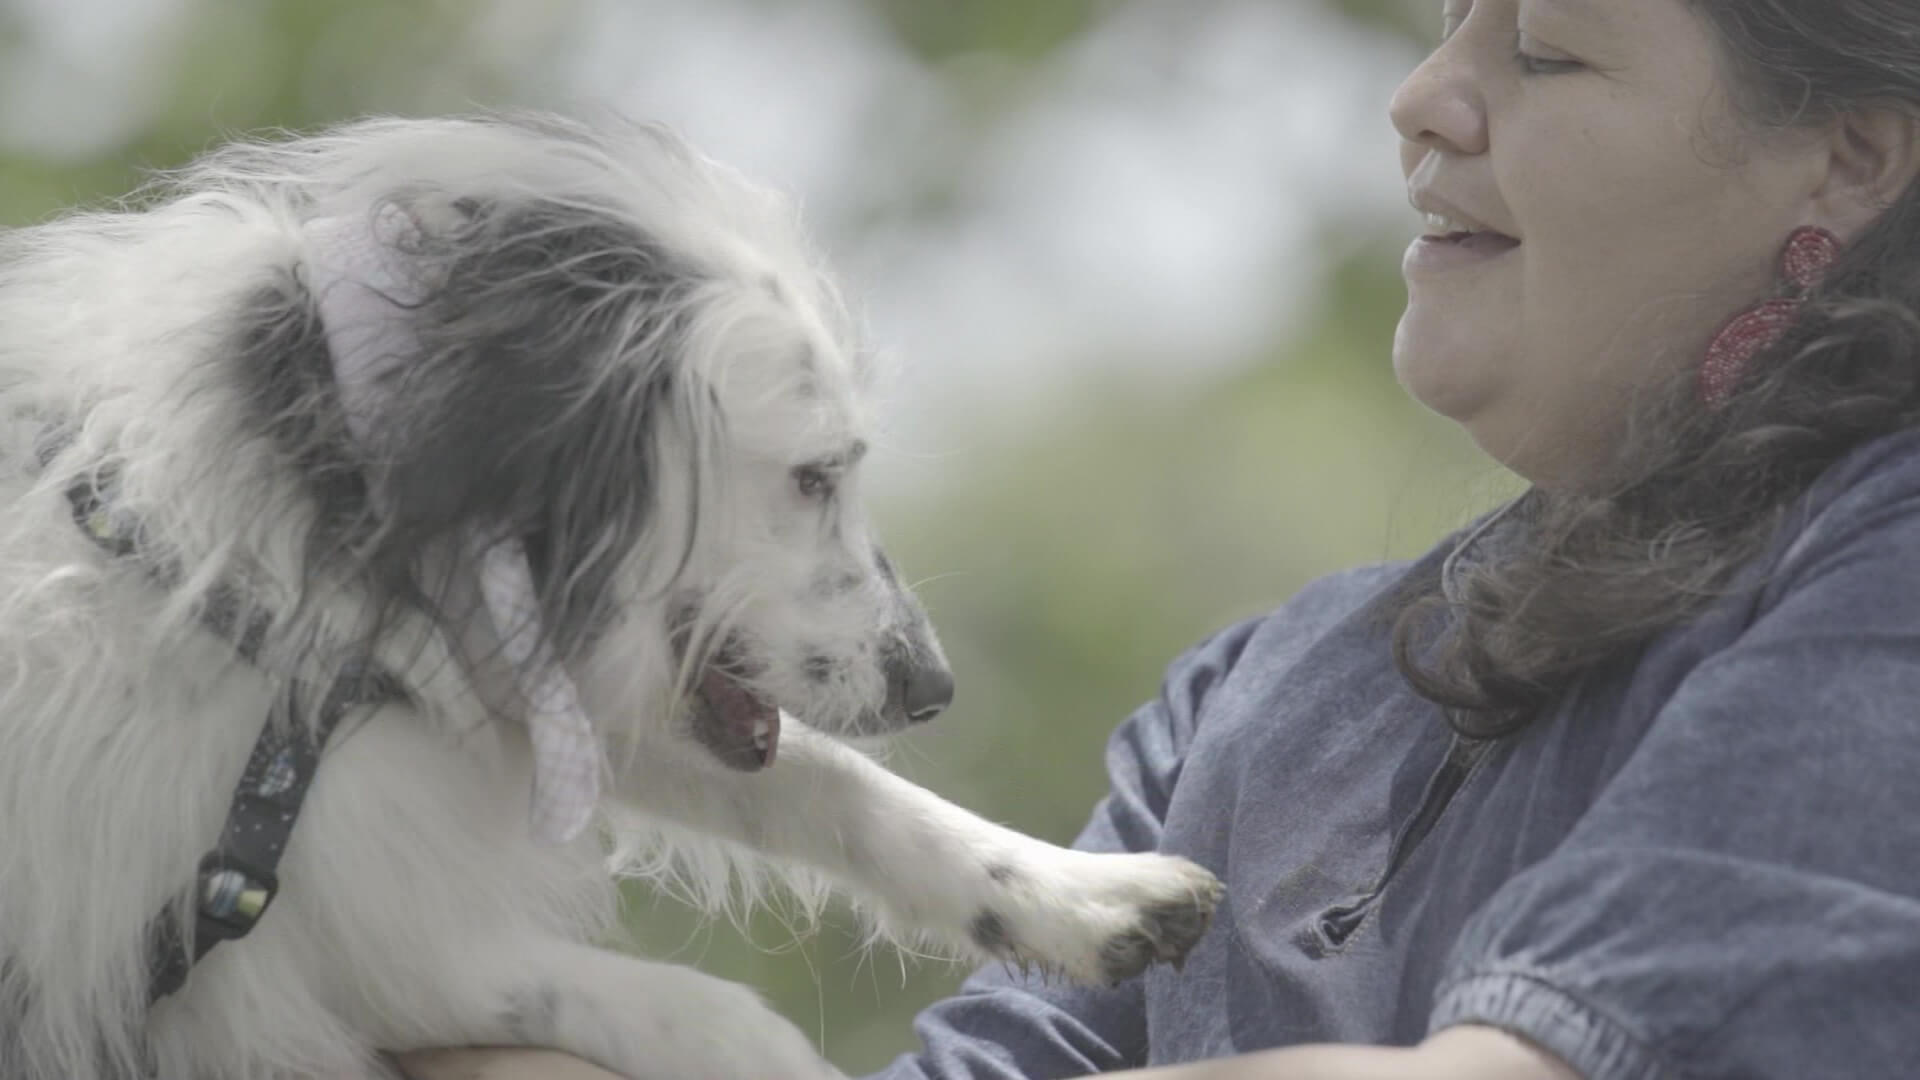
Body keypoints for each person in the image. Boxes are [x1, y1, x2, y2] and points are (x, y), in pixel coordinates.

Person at [400, 0, 1920, 1076]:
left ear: (1848, 157)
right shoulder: (1272, 684)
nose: (1425, 97)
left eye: (1546, 49)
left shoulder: (1887, 561)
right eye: (1451, 19)